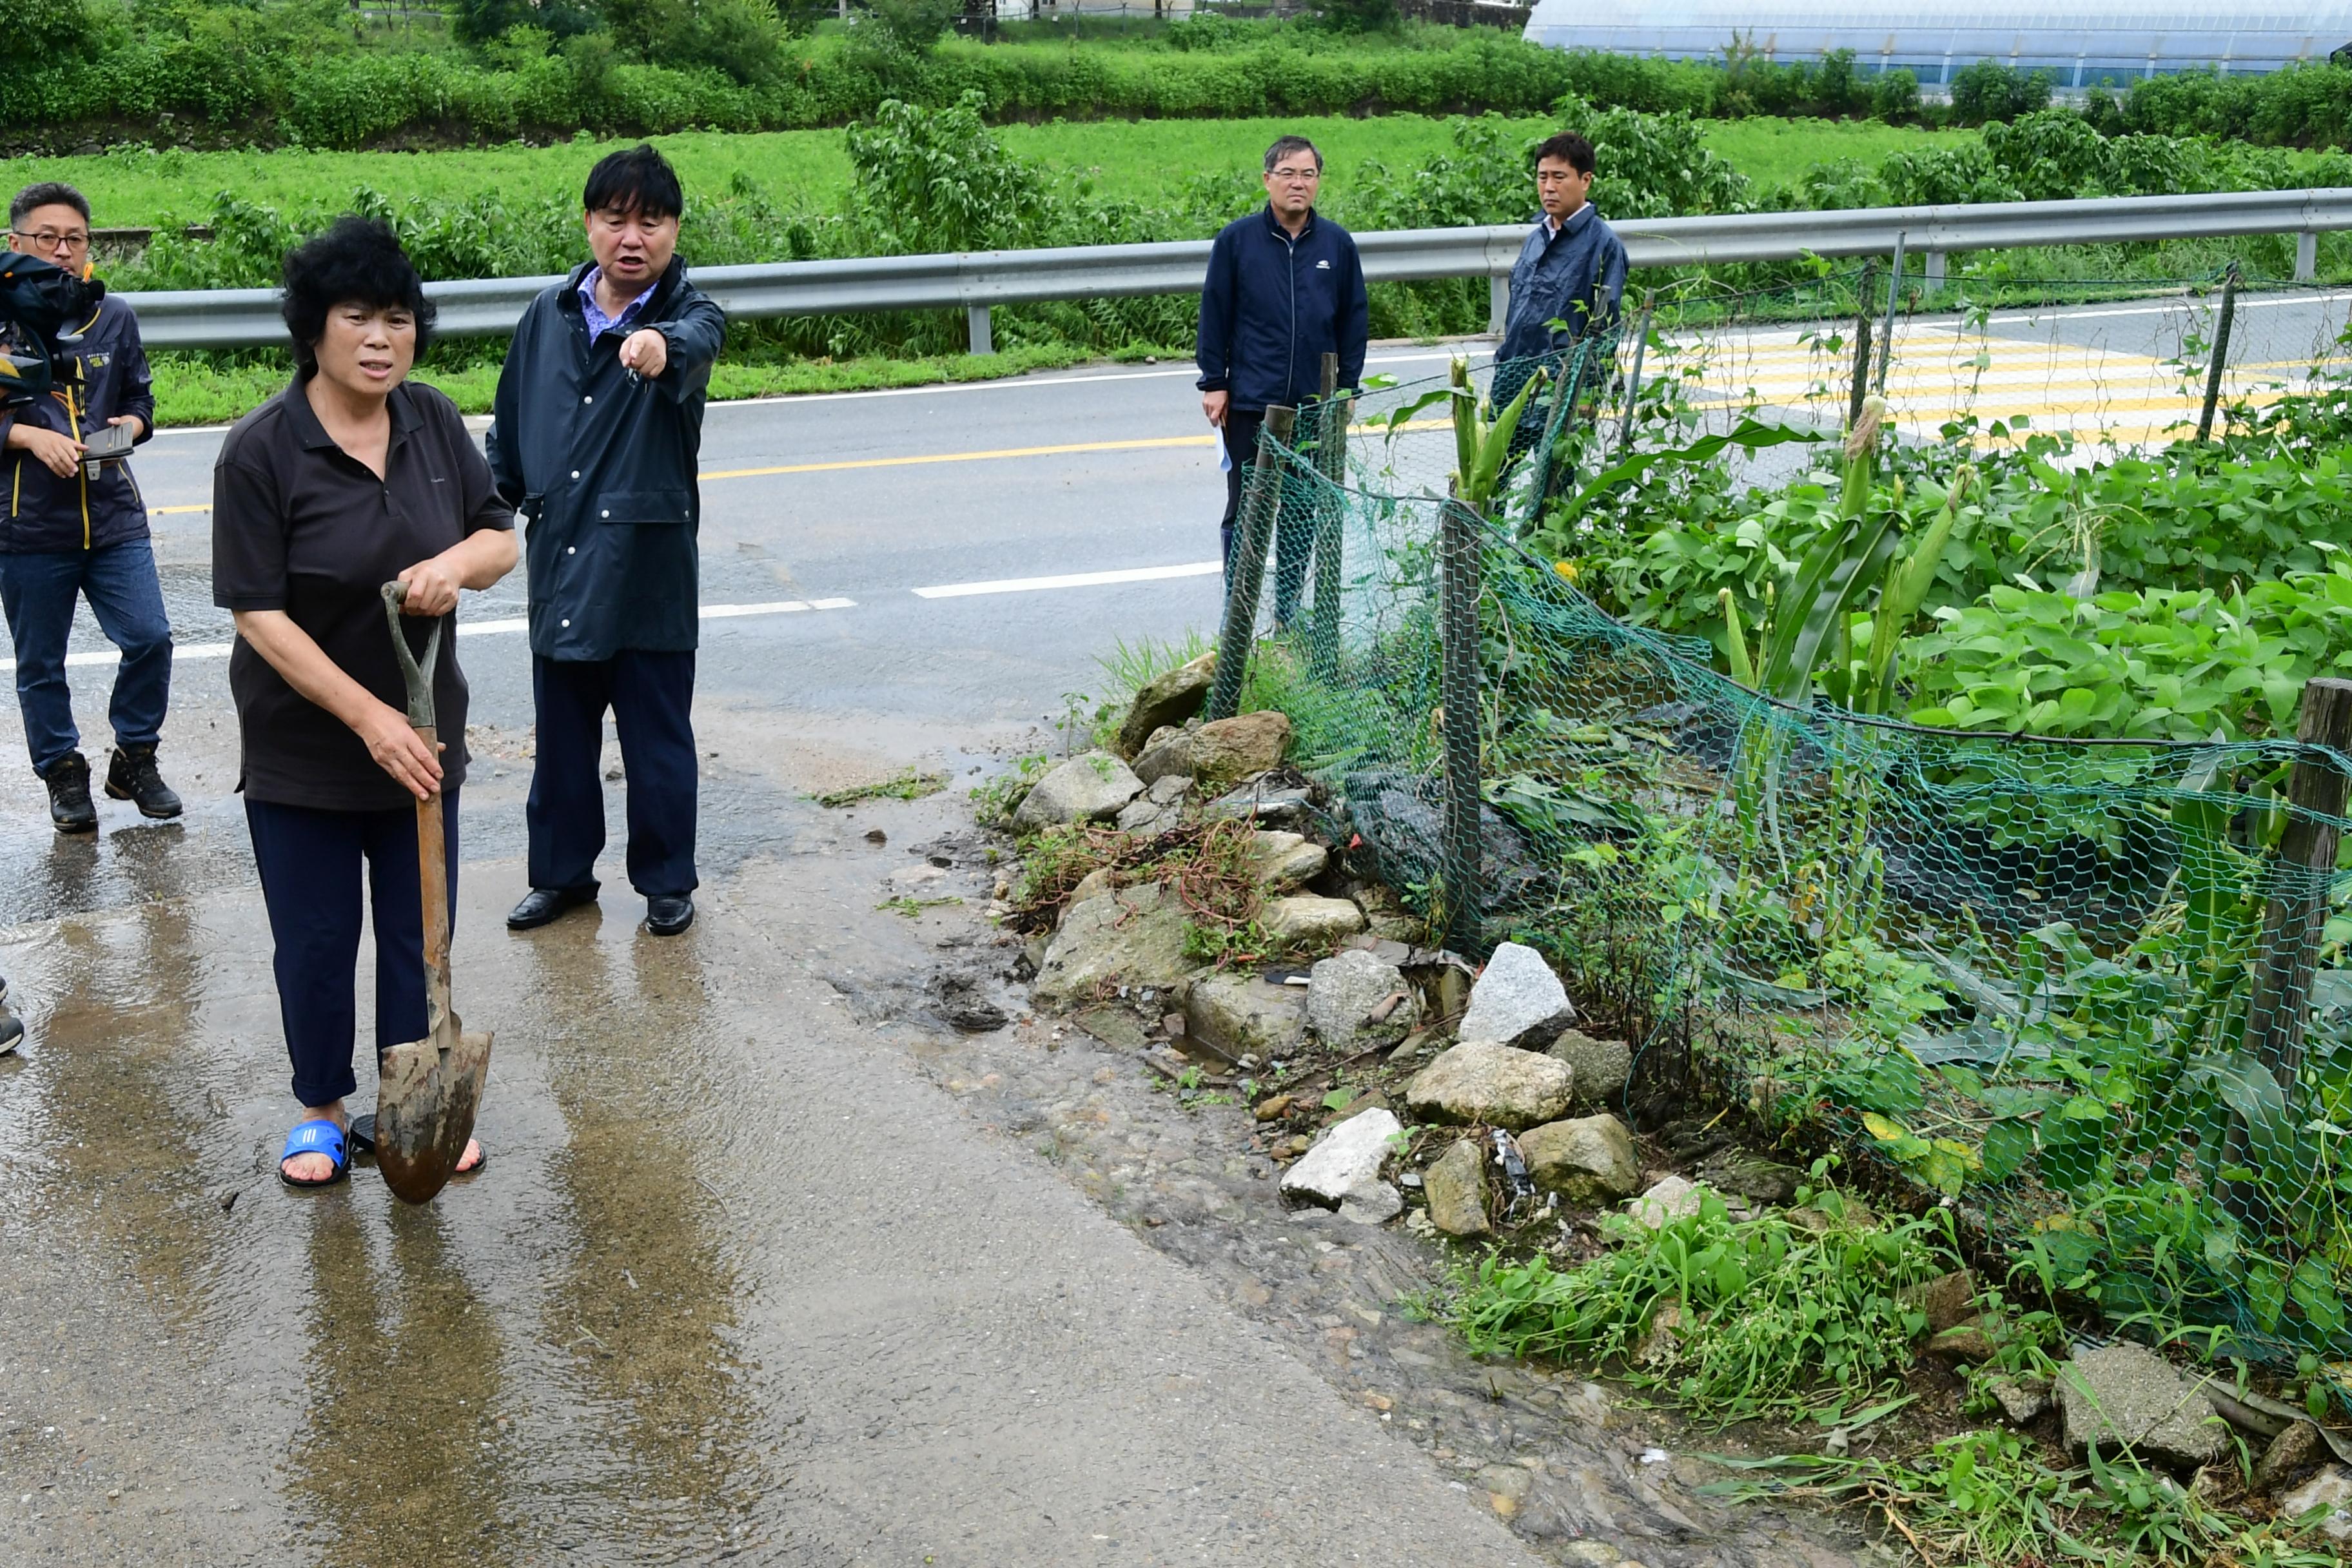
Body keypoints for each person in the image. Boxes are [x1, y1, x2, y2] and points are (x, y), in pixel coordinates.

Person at [211, 217, 517, 1188]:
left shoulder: (431, 421)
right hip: (306, 748)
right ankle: (320, 1106)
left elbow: (499, 538)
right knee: (314, 938)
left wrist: (453, 566)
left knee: (418, 935)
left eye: (398, 318)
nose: (382, 338)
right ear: (315, 328)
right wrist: (368, 719)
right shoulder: (262, 450)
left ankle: (409, 1098)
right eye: (358, 317)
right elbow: (260, 613)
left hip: (425, 738)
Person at [488, 144, 725, 939]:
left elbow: (689, 345)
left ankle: (666, 882)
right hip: (562, 562)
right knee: (560, 740)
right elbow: (511, 431)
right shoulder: (546, 316)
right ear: (590, 224)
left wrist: (657, 348)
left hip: (650, 573)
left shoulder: (690, 315)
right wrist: (485, 517)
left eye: (649, 222)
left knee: (657, 739)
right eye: (615, 219)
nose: (632, 237)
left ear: (673, 230)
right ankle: (560, 876)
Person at [1, 181, 181, 834]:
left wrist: (128, 428)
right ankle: (61, 772)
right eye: (46, 238)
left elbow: (141, 402)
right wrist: (27, 435)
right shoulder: (2, 319)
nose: (61, 250)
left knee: (151, 636)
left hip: (113, 516)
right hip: (28, 526)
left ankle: (135, 756)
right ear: (14, 243)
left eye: (74, 238)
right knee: (40, 663)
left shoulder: (115, 316)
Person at [1195, 135, 1368, 625]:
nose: (1298, 183)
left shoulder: (1336, 244)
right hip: (1252, 402)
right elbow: (1215, 314)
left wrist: (1348, 388)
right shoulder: (1237, 241)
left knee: (1298, 515)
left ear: (1318, 182)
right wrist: (1215, 382)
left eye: (1308, 174)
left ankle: (1288, 617)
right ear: (1268, 179)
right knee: (1246, 511)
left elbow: (1353, 321)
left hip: (1314, 407)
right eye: (1288, 173)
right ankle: (1239, 617)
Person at [1493, 131, 1629, 466]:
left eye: (1559, 177)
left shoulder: (1604, 246)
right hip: (1513, 383)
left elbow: (1607, 328)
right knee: (1492, 485)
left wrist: (1588, 392)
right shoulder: (1536, 238)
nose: (1549, 187)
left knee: (1553, 495)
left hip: (1562, 391)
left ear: (1585, 181)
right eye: (1542, 177)